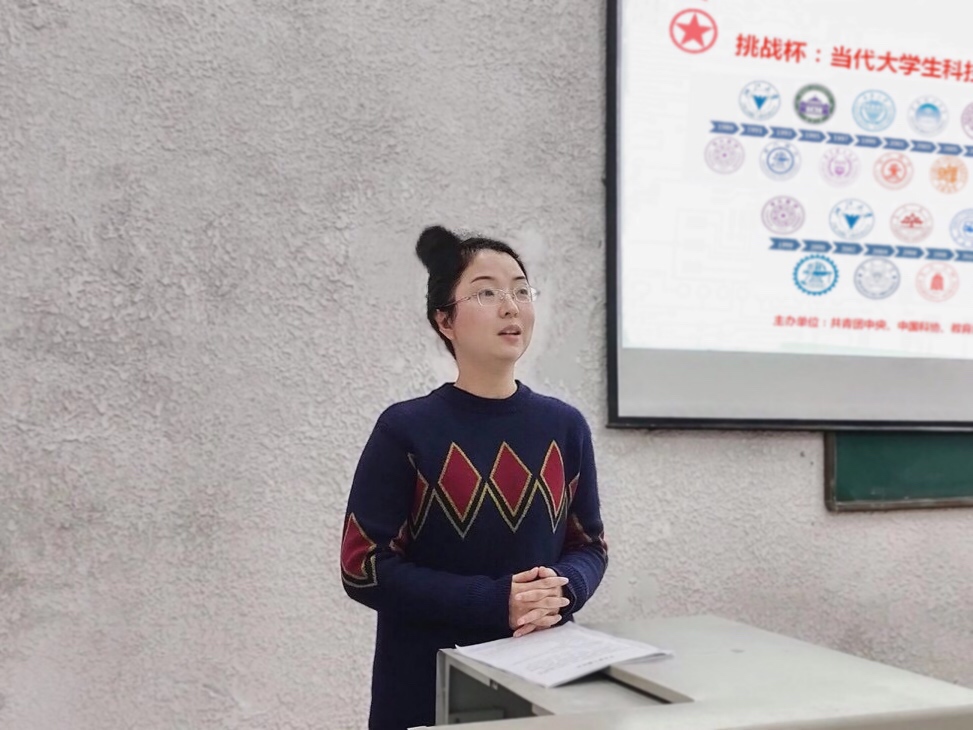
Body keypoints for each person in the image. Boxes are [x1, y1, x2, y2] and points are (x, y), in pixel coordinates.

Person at [339, 225, 609, 730]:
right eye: (486, 292)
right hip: (428, 685)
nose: (511, 307)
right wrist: (495, 600)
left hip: (543, 681)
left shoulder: (564, 427)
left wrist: (562, 589)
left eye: (521, 291)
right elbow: (363, 566)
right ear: (445, 320)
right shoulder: (406, 429)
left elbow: (589, 545)